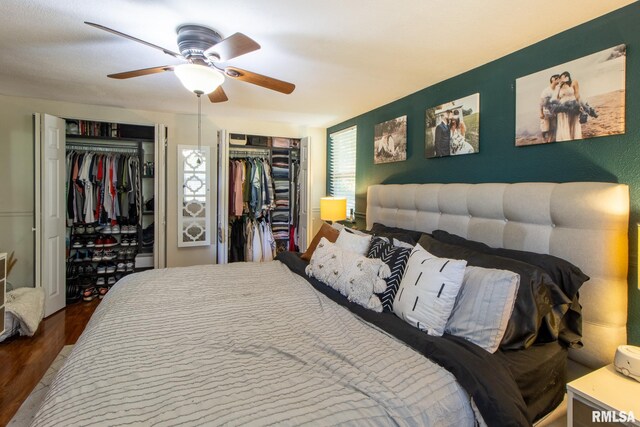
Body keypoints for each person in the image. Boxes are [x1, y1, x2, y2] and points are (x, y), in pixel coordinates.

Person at [555, 71, 582, 141]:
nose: (562, 79)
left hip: (573, 104)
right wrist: (559, 85)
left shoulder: (574, 82)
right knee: (565, 123)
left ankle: (574, 137)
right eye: (561, 78)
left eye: (564, 77)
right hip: (563, 107)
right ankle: (566, 138)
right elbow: (556, 98)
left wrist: (579, 105)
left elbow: (577, 94)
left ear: (568, 77)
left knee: (574, 121)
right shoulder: (559, 86)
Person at [540, 74, 560, 143]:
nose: (559, 80)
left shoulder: (558, 89)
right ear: (552, 80)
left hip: (554, 112)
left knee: (552, 128)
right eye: (557, 78)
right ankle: (543, 137)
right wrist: (541, 113)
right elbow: (541, 103)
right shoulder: (546, 90)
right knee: (545, 129)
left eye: (559, 78)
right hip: (546, 112)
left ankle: (549, 140)